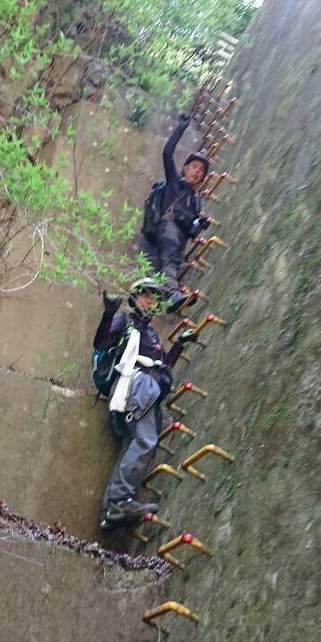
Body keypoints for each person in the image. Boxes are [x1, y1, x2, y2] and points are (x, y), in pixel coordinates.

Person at [95, 279, 195, 529]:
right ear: (135, 298)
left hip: (145, 391)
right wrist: (108, 314)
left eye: (154, 297)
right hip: (135, 389)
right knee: (145, 440)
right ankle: (119, 500)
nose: (151, 300)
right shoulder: (126, 321)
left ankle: (111, 511)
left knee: (133, 444)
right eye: (146, 295)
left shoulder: (149, 332)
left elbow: (161, 366)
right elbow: (102, 343)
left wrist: (179, 345)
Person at [141, 114, 211, 313]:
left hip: (180, 238)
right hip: (167, 229)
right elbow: (167, 153)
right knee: (170, 261)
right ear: (185, 168)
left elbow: (191, 230)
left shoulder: (196, 200)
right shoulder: (174, 184)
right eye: (194, 167)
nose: (197, 172)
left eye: (201, 171)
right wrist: (182, 127)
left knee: (172, 263)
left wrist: (200, 224)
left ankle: (161, 296)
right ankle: (171, 293)